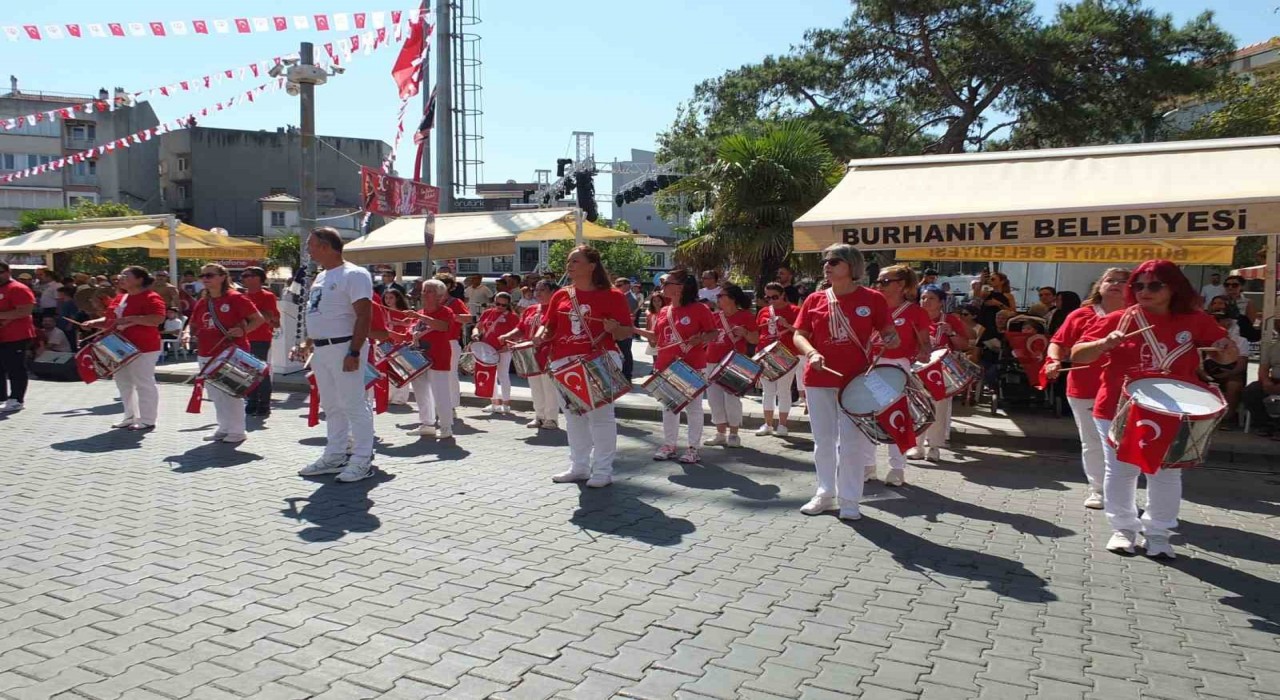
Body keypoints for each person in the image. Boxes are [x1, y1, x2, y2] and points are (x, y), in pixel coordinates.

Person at [1072, 260, 1237, 559]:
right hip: (1117, 406)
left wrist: (1228, 352)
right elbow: (1078, 354)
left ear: (1173, 288)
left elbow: (1226, 357)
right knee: (1122, 471)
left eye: (1154, 285)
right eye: (1138, 285)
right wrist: (1103, 344)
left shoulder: (1195, 320)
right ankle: (1123, 530)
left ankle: (1159, 533)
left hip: (1174, 409)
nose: (1143, 291)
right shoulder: (1120, 319)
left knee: (1166, 473)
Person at [792, 244, 898, 520]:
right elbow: (798, 335)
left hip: (856, 382)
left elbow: (888, 331)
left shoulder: (873, 299)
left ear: (852, 266)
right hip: (818, 379)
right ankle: (825, 493)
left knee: (853, 444)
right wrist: (811, 352)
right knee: (823, 442)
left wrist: (890, 338)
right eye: (825, 261)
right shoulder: (814, 299)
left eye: (835, 261)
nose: (827, 265)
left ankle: (850, 500)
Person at [537, 245, 633, 488]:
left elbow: (624, 331)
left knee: (601, 417)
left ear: (592, 266)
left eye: (575, 261)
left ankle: (602, 470)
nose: (569, 265)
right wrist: (539, 334)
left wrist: (614, 329)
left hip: (599, 358)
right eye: (569, 261)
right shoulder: (560, 295)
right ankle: (579, 466)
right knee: (573, 417)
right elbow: (549, 327)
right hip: (563, 360)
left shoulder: (613, 296)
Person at [295, 228, 377, 482]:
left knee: (354, 405)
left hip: (344, 347)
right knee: (331, 406)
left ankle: (362, 460)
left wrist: (353, 351)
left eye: (311, 244)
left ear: (326, 246)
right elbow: (322, 313)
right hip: (322, 349)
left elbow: (364, 314)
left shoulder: (354, 274)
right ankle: (335, 455)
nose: (308, 249)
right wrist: (308, 342)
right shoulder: (322, 276)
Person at [1045, 268, 1129, 510]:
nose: (1116, 284)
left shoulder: (1138, 316)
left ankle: (1122, 491)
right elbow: (1058, 343)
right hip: (1085, 387)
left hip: (1125, 389)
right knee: (1092, 441)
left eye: (1123, 281)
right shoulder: (1081, 314)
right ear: (1099, 286)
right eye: (1110, 280)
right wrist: (1054, 361)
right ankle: (1099, 490)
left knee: (1122, 443)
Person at [636, 269, 718, 463]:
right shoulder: (664, 310)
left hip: (692, 366)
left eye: (667, 283)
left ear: (680, 288)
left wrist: (701, 338)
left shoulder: (699, 309)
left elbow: (713, 333)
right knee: (669, 408)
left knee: (694, 408)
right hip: (666, 366)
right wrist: (630, 328)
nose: (662, 286)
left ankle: (692, 448)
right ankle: (669, 445)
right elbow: (656, 340)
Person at [185, 264, 265, 442]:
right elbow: (194, 323)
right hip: (206, 351)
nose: (205, 278)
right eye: (202, 275)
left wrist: (243, 331)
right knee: (215, 393)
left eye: (210, 275)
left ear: (222, 277)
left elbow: (258, 319)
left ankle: (237, 431)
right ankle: (224, 427)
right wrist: (187, 334)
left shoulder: (236, 298)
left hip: (231, 352)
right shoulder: (203, 301)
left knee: (231, 392)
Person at [870, 265, 932, 484]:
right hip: (868, 366)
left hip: (897, 366)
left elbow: (926, 346)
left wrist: (924, 353)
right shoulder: (871, 307)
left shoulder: (915, 312)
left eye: (885, 282)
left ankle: (897, 468)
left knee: (895, 418)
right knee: (867, 416)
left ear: (901, 285)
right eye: (878, 281)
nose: (879, 286)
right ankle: (868, 465)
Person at [917, 285, 971, 460]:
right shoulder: (914, 318)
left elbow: (964, 345)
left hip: (940, 370)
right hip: (916, 367)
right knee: (917, 404)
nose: (925, 301)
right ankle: (916, 446)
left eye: (931, 298)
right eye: (923, 298)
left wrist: (952, 332)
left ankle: (934, 446)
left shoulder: (950, 320)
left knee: (939, 407)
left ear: (941, 302)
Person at [704, 283, 757, 448]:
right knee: (714, 399)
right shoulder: (714, 316)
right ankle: (720, 433)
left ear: (732, 299)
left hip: (733, 363)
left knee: (732, 399)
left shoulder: (746, 316)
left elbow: (755, 339)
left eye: (722, 295)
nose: (718, 298)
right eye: (718, 296)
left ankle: (734, 434)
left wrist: (745, 333)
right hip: (711, 361)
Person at [502, 279, 560, 429]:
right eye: (536, 290)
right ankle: (539, 416)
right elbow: (520, 328)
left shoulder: (557, 309)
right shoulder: (531, 309)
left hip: (549, 353)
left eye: (542, 290)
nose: (537, 293)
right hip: (530, 353)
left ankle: (551, 418)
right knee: (535, 386)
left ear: (553, 292)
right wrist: (508, 335)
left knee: (549, 387)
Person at [405, 279, 457, 438]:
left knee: (440, 392)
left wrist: (420, 317)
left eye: (429, 291)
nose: (424, 294)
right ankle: (427, 424)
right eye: (424, 291)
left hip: (438, 357)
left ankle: (446, 426)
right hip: (419, 358)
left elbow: (444, 326)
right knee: (421, 392)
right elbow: (409, 334)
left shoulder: (445, 311)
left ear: (440, 296)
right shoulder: (419, 313)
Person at [755, 282, 800, 437]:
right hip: (766, 353)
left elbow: (802, 333)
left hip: (786, 353)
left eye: (775, 297)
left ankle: (782, 425)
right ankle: (767, 424)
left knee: (783, 390)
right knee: (767, 391)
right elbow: (758, 332)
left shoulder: (795, 310)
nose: (771, 301)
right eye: (767, 297)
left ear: (782, 295)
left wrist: (786, 324)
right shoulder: (763, 311)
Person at [1202, 296, 1251, 428]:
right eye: (1214, 320)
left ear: (1229, 322)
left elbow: (1241, 365)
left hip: (1231, 373)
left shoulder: (1241, 341)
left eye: (1220, 320)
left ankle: (1226, 419)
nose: (1216, 322)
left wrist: (1227, 374)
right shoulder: (1204, 339)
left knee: (1233, 385)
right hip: (1206, 372)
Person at [240, 267, 280, 418]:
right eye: (244, 276)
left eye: (249, 275)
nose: (245, 278)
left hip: (260, 338)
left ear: (259, 278)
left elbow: (268, 316)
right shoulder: (241, 296)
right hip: (244, 338)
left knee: (260, 371)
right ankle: (252, 400)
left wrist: (251, 316)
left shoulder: (267, 295)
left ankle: (264, 403)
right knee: (247, 371)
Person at [474, 291, 520, 414]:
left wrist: (508, 346)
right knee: (491, 376)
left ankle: (506, 404)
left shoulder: (512, 317)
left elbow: (518, 335)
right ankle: (494, 402)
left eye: (503, 305)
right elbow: (477, 326)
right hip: (487, 349)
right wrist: (475, 334)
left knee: (503, 375)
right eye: (497, 303)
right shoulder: (487, 312)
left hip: (502, 350)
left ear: (508, 304)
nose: (500, 307)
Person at [0, 262, 36, 413]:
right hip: (2, 336)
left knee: (15, 368)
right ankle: (2, 397)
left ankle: (16, 399)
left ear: (8, 272)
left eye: (0, 272)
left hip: (16, 335)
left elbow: (24, 311)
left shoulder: (18, 288)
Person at [436, 272, 473, 419]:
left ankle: (451, 406)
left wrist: (451, 316)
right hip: (434, 342)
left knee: (450, 374)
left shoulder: (455, 302)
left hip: (450, 341)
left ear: (450, 286)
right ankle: (438, 405)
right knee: (435, 376)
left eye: (443, 284)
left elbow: (468, 318)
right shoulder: (433, 301)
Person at [1241, 318, 1280, 438]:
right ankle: (1265, 424)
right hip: (1274, 379)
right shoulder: (1272, 347)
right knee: (1251, 391)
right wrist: (1266, 381)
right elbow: (1263, 368)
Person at [1222, 275, 1259, 341]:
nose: (1230, 287)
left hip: (1240, 335)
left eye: (1234, 285)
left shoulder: (1247, 302)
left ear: (1241, 286)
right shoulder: (1218, 300)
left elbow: (1250, 322)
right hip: (1221, 333)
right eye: (1227, 285)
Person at [614, 278, 637, 380]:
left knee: (625, 353)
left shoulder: (630, 299)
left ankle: (627, 376)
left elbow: (627, 316)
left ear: (627, 285)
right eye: (616, 285)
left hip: (625, 331)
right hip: (617, 330)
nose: (617, 287)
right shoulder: (619, 297)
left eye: (619, 285)